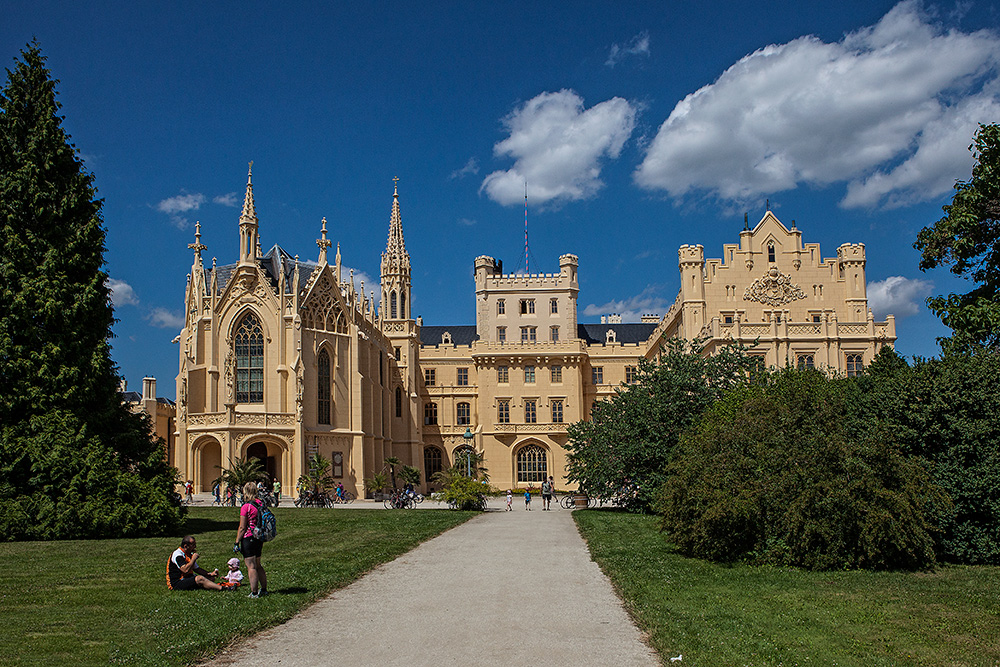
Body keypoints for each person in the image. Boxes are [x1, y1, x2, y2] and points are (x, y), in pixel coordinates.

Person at [236, 481, 268, 598]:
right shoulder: (261, 504)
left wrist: (236, 541)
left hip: (248, 537)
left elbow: (242, 527)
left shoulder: (246, 507)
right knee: (258, 564)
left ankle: (254, 592)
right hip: (259, 537)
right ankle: (264, 589)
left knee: (251, 566)